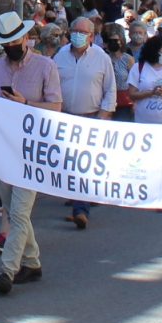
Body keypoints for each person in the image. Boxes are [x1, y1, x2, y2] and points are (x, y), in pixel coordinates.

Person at [0, 13, 59, 294]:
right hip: (4, 149)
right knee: (17, 213)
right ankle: (32, 262)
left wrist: (26, 103)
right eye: (6, 43)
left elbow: (57, 107)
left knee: (17, 213)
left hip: (31, 150)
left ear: (26, 38)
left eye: (15, 40)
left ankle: (8, 268)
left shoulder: (45, 66)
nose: (11, 46)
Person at [54, 13, 115, 229]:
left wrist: (104, 115)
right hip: (65, 117)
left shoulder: (101, 57)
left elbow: (110, 89)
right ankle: (77, 203)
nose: (78, 35)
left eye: (83, 32)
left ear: (91, 36)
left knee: (83, 165)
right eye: (75, 32)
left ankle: (81, 210)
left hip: (91, 117)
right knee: (69, 164)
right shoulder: (60, 56)